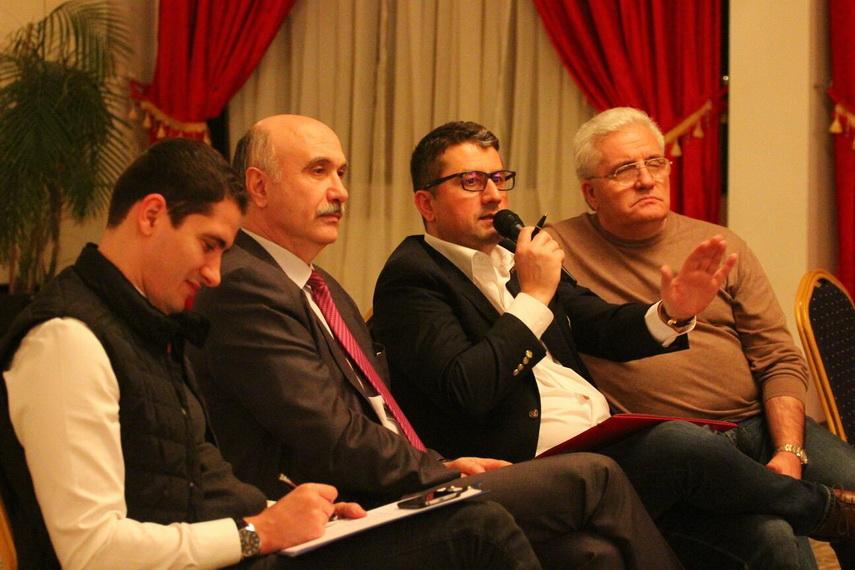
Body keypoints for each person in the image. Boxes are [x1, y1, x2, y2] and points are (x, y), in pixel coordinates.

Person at [0, 137, 543, 570]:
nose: (214, 273)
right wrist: (259, 531)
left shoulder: (146, 326)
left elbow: (196, 481)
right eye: (209, 245)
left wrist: (290, 512)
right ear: (151, 216)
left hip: (236, 549)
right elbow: (91, 552)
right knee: (479, 530)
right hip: (229, 554)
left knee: (483, 523)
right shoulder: (66, 339)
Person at [187, 113, 688, 570]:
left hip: (401, 477)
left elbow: (372, 411)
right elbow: (331, 433)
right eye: (319, 172)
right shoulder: (245, 284)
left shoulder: (321, 286)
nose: (340, 191)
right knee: (598, 476)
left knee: (591, 554)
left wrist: (673, 312)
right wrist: (437, 471)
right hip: (329, 509)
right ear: (259, 186)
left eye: (341, 173)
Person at [370, 119, 855, 569]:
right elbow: (466, 387)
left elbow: (599, 324)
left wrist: (671, 312)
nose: (495, 195)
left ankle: (825, 512)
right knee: (680, 441)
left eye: (499, 179)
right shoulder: (412, 278)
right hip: (536, 469)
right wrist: (534, 297)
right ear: (426, 203)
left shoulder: (514, 255)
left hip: (607, 444)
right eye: (472, 182)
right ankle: (825, 510)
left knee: (768, 535)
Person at [545, 106, 855, 568]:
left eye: (655, 163)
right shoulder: (555, 253)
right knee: (775, 534)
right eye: (625, 170)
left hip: (758, 425)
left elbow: (778, 358)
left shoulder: (718, 245)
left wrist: (789, 450)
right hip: (672, 446)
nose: (646, 180)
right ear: (591, 192)